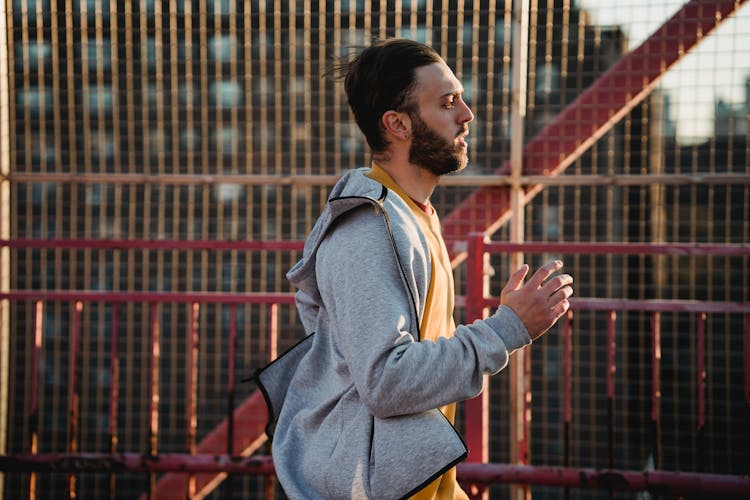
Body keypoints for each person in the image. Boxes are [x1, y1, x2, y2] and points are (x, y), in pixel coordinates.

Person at [254, 38, 573, 500]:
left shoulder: (412, 214)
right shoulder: (368, 232)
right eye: (447, 103)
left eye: (460, 99)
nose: (467, 114)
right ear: (397, 124)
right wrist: (506, 330)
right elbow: (386, 380)